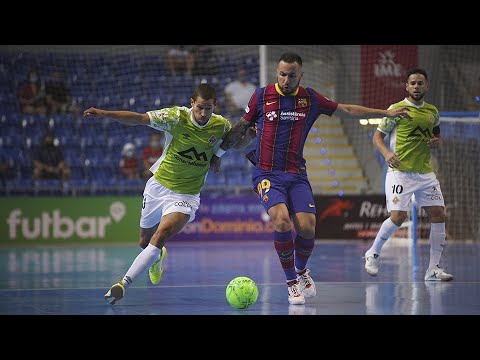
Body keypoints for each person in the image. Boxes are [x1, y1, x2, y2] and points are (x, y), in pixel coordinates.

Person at [211, 52, 411, 305]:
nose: (285, 79)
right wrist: (218, 153)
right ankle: (291, 283)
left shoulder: (309, 98)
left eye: (291, 75)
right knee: (282, 222)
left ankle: (302, 271)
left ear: (300, 75)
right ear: (277, 73)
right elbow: (241, 126)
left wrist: (386, 112)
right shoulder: (261, 96)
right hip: (266, 172)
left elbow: (346, 109)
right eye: (282, 74)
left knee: (307, 228)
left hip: (296, 173)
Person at [83, 83, 253, 305]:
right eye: (200, 107)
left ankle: (123, 284)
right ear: (192, 103)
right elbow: (139, 118)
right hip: (158, 186)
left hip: (187, 195)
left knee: (160, 234)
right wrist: (104, 113)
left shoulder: (220, 125)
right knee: (145, 241)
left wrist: (249, 136)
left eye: (208, 109)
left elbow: (233, 144)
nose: (203, 114)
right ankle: (157, 256)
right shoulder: (175, 117)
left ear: (215, 107)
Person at [363, 67, 453, 282]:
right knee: (398, 217)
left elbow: (437, 137)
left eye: (420, 83)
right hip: (399, 172)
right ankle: (372, 253)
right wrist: (386, 153)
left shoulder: (432, 112)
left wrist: (437, 142)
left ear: (426, 86)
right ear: (406, 86)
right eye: (412, 83)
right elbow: (377, 137)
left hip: (424, 173)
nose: (416, 86)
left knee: (439, 214)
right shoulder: (396, 109)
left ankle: (433, 269)